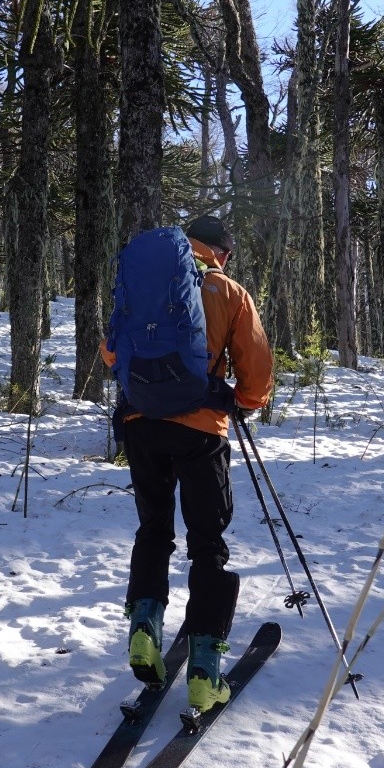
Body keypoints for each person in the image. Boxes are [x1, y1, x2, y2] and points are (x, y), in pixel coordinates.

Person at [103, 214, 274, 715]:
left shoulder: (148, 278)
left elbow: (112, 353)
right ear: (221, 251)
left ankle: (144, 631)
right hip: (201, 431)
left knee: (153, 530)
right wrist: (244, 400)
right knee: (207, 547)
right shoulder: (229, 292)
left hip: (140, 424)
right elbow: (257, 369)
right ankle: (204, 672)